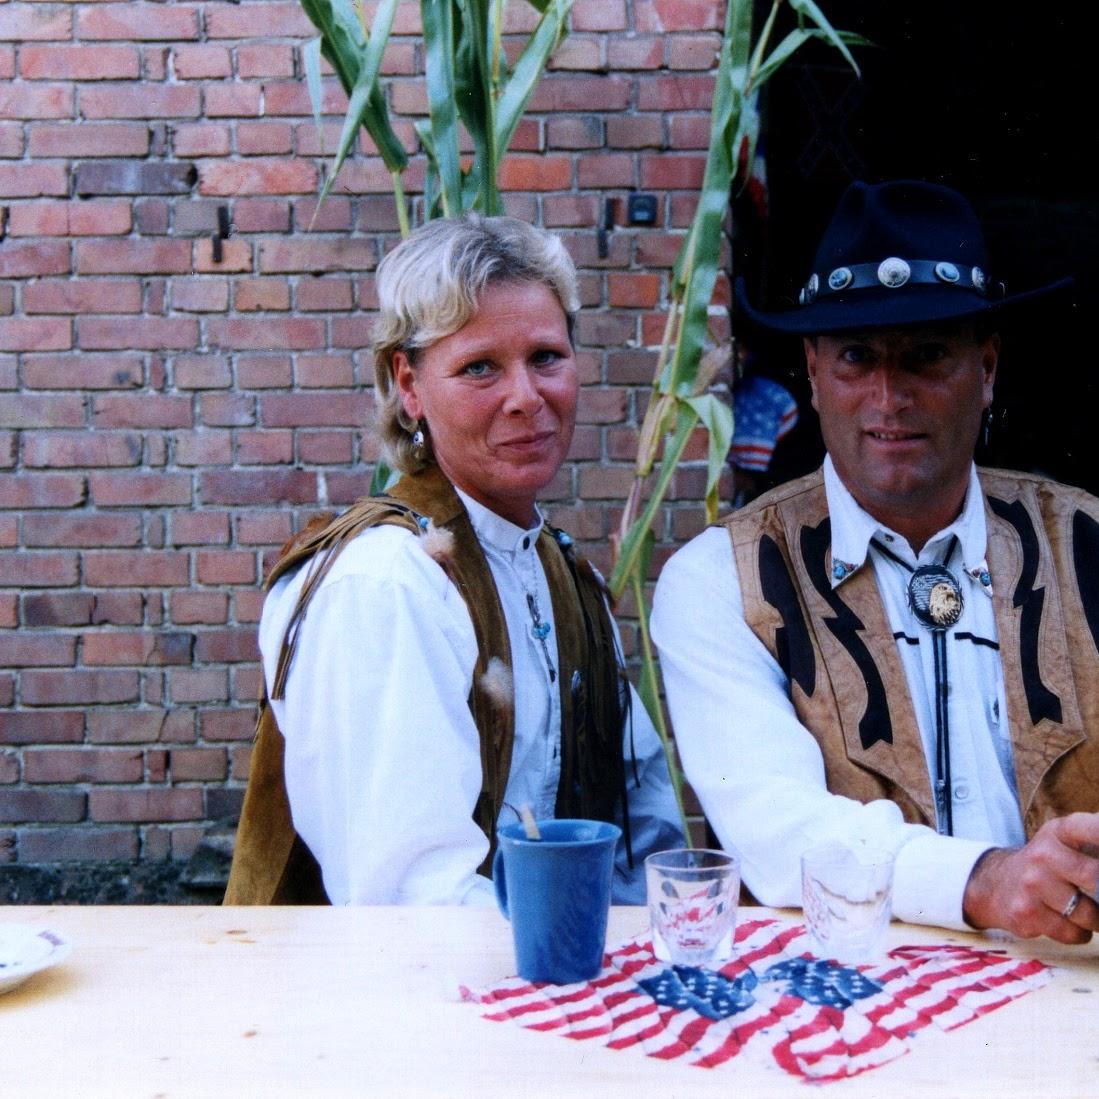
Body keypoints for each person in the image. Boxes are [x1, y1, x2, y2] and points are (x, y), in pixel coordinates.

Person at [651, 179, 1099, 944]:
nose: (889, 397)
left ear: (986, 369)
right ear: (814, 373)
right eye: (857, 357)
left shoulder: (1086, 542)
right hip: (844, 1008)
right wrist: (982, 879)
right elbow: (775, 827)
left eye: (926, 356)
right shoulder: (717, 580)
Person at [226, 215, 682, 906]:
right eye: (479, 368)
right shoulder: (385, 583)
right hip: (416, 995)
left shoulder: (565, 577)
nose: (526, 398)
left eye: (546, 357)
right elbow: (411, 898)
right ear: (408, 385)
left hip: (566, 980)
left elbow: (645, 842)